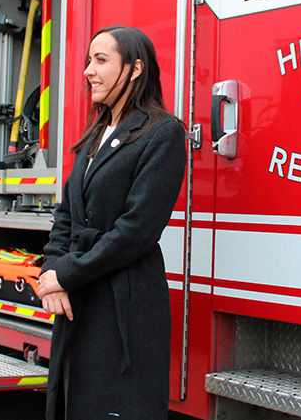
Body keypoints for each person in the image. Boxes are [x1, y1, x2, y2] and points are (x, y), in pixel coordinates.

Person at [36, 26, 187, 419]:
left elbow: (137, 229)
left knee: (115, 405)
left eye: (100, 60)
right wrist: (52, 269)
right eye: (89, 60)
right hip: (81, 295)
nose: (88, 70)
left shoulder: (163, 132)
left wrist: (67, 273)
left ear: (135, 69)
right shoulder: (97, 133)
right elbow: (67, 212)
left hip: (126, 301)